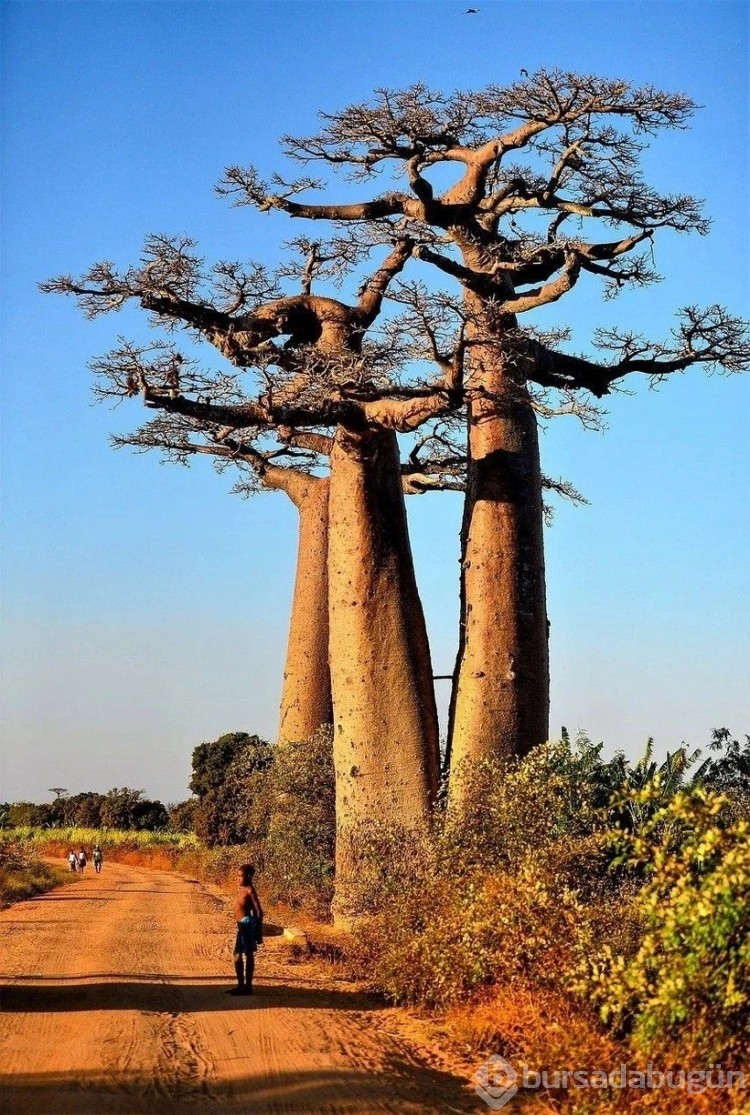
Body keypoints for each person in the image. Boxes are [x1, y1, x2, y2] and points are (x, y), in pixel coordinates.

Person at [227, 864, 263, 996]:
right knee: (237, 954)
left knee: (247, 954)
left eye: (240, 876)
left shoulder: (250, 890)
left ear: (248, 876)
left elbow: (259, 912)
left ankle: (248, 987)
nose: (237, 878)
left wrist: (258, 933)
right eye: (237, 876)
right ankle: (241, 985)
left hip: (247, 925)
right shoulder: (243, 890)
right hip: (242, 926)